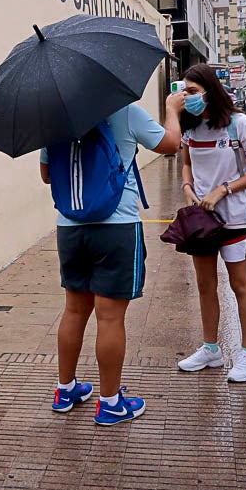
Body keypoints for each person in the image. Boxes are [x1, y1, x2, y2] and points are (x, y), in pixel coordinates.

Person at [40, 92, 184, 426]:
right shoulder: (125, 112)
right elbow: (170, 145)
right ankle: (110, 402)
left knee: (74, 309)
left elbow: (48, 175)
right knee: (109, 318)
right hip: (116, 226)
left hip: (69, 227)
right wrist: (171, 110)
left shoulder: (53, 119)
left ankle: (65, 390)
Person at [176, 63, 246, 383]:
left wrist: (222, 190)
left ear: (209, 91)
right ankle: (211, 348)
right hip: (201, 221)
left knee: (239, 284)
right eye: (183, 91)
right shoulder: (188, 128)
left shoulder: (238, 124)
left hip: (234, 219)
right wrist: (187, 187)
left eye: (192, 92)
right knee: (205, 285)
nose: (187, 97)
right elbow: (186, 164)